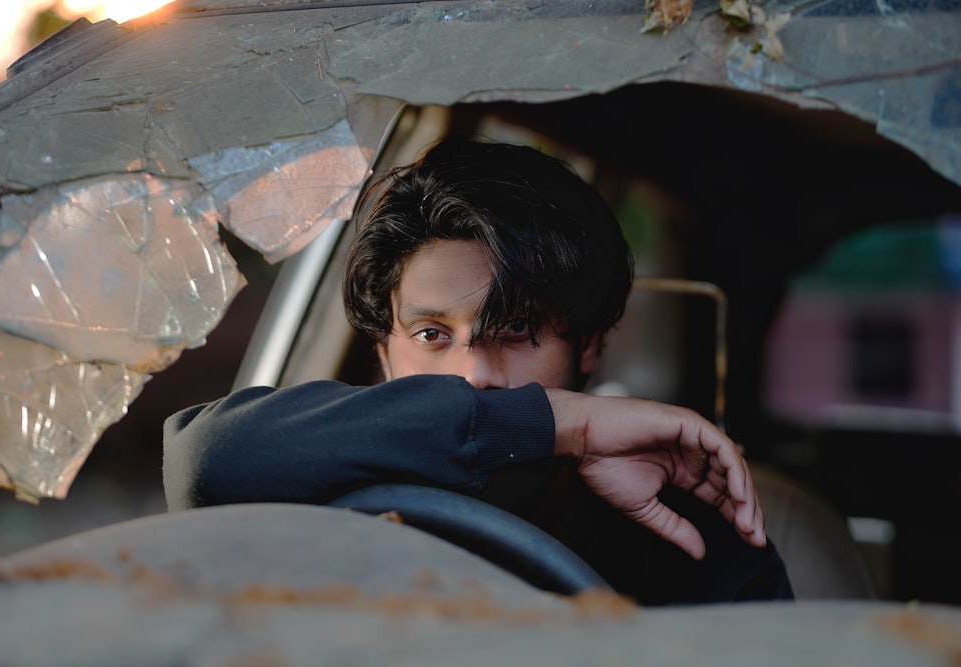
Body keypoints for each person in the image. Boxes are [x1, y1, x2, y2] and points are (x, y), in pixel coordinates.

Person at [163, 138, 792, 604]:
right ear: (385, 353)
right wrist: (557, 423)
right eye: (433, 335)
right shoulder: (318, 471)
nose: (473, 375)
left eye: (517, 332)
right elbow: (202, 463)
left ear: (591, 345)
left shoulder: (691, 535)